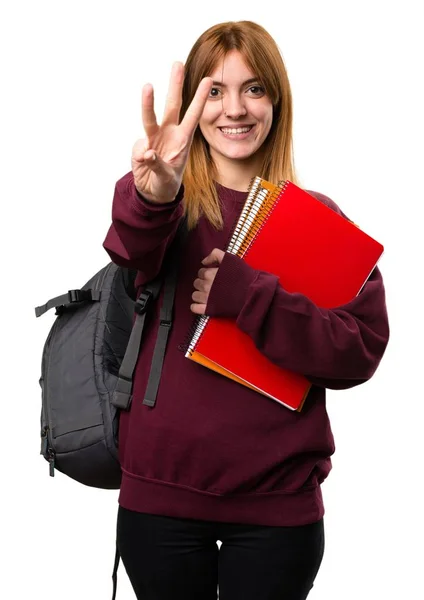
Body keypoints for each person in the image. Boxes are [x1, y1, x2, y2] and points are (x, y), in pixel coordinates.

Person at [103, 20, 389, 600]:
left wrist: (250, 298)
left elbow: (359, 351)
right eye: (214, 90)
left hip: (277, 509)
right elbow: (131, 249)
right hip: (161, 498)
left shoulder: (318, 220)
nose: (235, 109)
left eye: (253, 88)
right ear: (191, 105)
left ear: (276, 101)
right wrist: (154, 193)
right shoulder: (162, 198)